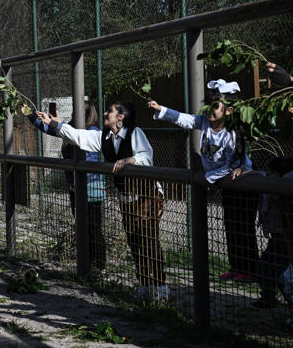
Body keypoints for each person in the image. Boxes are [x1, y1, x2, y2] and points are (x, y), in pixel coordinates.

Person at [34, 101, 168, 300]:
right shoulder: (104, 136)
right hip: (126, 196)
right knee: (134, 241)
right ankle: (144, 284)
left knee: (148, 240)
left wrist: (128, 160)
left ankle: (160, 287)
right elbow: (79, 136)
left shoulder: (135, 132)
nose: (105, 113)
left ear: (121, 117)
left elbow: (146, 156)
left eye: (111, 111)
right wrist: (53, 123)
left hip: (146, 195)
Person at [148, 79, 258, 282]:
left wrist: (207, 179)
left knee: (243, 226)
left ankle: (250, 270)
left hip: (241, 182)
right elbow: (185, 119)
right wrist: (161, 109)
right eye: (208, 105)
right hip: (223, 182)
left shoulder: (232, 132)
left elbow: (233, 164)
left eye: (214, 106)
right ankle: (236, 267)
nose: (209, 110)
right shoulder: (205, 122)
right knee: (230, 225)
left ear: (228, 111)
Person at [27, 102, 106, 271]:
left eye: (77, 113)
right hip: (74, 186)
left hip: (91, 186)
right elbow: (49, 129)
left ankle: (99, 266)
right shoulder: (71, 129)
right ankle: (87, 263)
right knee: (82, 226)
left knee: (93, 228)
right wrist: (31, 115)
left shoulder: (92, 132)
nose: (73, 115)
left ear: (86, 115)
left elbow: (76, 138)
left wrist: (60, 125)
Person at [255, 156, 293, 308]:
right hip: (280, 234)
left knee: (275, 268)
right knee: (273, 267)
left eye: (272, 172)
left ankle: (272, 298)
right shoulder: (276, 184)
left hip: (285, 235)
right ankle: (270, 297)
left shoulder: (284, 184)